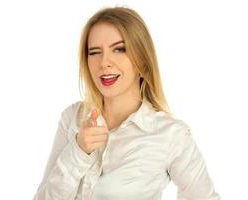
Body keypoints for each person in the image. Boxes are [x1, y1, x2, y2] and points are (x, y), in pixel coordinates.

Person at [33, 6, 220, 200]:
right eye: (94, 52)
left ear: (142, 59)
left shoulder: (170, 135)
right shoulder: (72, 117)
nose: (104, 62)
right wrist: (79, 150)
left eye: (119, 49)